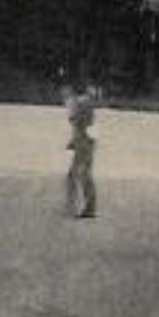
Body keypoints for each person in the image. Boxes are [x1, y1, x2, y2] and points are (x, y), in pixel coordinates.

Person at [63, 84, 98, 219]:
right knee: (81, 175)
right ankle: (86, 207)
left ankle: (75, 208)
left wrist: (77, 141)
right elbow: (87, 126)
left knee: (77, 176)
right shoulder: (82, 103)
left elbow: (79, 124)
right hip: (85, 143)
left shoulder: (78, 103)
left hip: (83, 144)